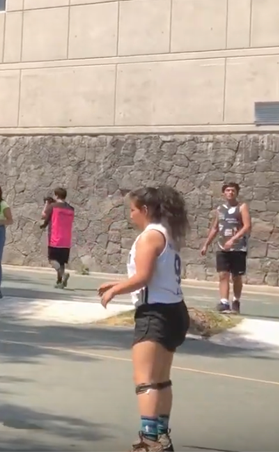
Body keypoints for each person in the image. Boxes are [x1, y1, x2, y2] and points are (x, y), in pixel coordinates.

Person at [97, 186, 189, 452]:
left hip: (155, 314)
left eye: (133, 210)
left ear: (145, 210)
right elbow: (152, 276)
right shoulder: (167, 234)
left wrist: (116, 290)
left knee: (145, 380)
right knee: (161, 379)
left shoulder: (149, 237)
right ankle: (161, 436)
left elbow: (144, 277)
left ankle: (148, 442)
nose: (131, 215)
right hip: (174, 310)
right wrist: (119, 282)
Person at [200, 182, 250, 314]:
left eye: (233, 190)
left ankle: (236, 301)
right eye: (227, 190)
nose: (230, 192)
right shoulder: (220, 209)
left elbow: (247, 226)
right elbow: (215, 228)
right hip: (222, 247)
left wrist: (233, 240)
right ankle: (224, 302)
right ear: (223, 193)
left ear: (236, 193)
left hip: (238, 248)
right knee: (223, 274)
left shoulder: (242, 207)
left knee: (236, 276)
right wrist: (206, 244)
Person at [41, 187, 76, 289]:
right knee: (61, 261)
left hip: (55, 238)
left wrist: (47, 204)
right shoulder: (71, 209)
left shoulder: (53, 206)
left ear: (56, 195)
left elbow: (43, 215)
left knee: (52, 259)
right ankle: (59, 281)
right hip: (66, 239)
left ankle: (63, 274)